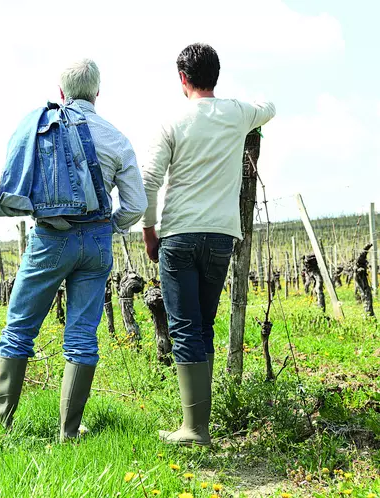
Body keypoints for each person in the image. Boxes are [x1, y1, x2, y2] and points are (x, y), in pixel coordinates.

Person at [0, 59, 148, 441]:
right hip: (96, 242)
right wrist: (110, 226)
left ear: (61, 92)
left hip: (50, 239)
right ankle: (70, 431)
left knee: (18, 330)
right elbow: (136, 204)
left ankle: (1, 428)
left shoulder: (42, 127)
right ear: (98, 91)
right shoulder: (116, 137)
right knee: (82, 336)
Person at [141, 43, 276, 446]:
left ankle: (194, 429)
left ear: (183, 78)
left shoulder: (171, 121)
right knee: (203, 326)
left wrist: (149, 231)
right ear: (215, 75)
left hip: (179, 235)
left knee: (184, 327)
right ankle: (200, 424)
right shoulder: (237, 113)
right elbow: (268, 105)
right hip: (221, 236)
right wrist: (249, 105)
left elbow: (149, 180)